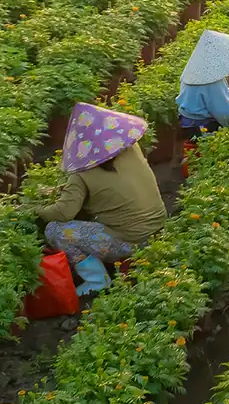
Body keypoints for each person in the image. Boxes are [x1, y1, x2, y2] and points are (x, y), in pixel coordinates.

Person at [36, 103, 167, 295]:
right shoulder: (130, 147)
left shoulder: (81, 173)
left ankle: (97, 280)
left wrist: (36, 209)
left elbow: (63, 212)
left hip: (131, 241)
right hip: (160, 229)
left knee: (55, 230)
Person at [176, 29, 229, 134]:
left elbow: (203, 96)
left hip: (187, 122)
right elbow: (226, 116)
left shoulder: (194, 70)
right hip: (202, 126)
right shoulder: (211, 81)